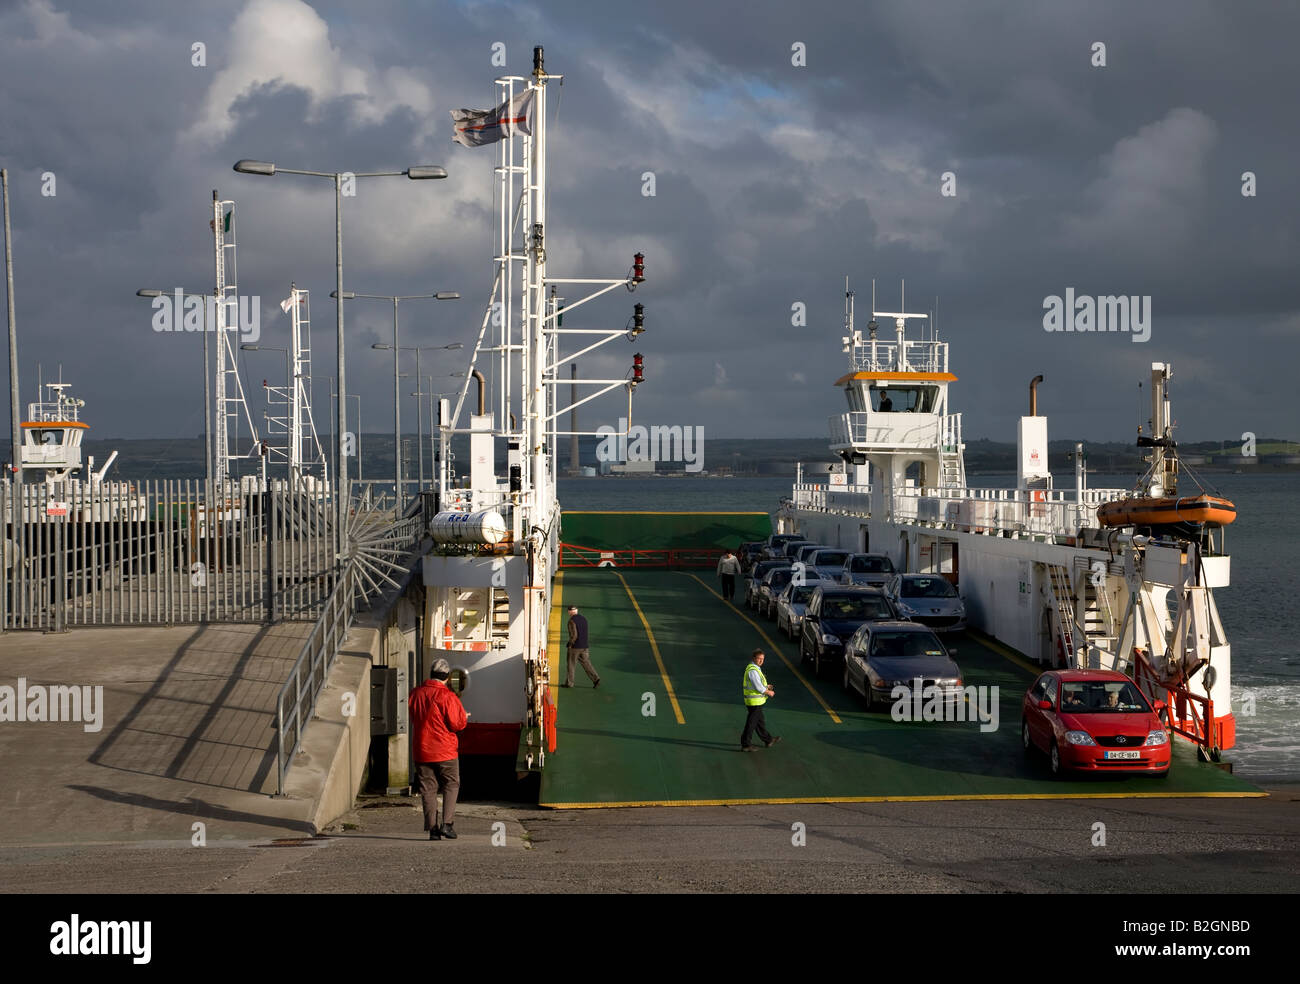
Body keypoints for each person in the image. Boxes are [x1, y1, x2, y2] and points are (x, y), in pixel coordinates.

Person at [408, 657, 469, 841]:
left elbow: (414, 717)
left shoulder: (415, 694)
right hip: (445, 750)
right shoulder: (447, 696)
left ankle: (433, 829)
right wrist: (464, 716)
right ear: (447, 677)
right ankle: (447, 824)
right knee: (451, 784)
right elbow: (457, 724)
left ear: (431, 674)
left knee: (428, 788)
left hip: (422, 749)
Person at [741, 648, 781, 751]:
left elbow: (759, 684)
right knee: (751, 724)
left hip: (756, 702)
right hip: (754, 702)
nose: (761, 661)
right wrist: (769, 692)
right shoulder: (753, 670)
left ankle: (768, 740)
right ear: (754, 658)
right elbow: (758, 687)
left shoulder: (756, 668)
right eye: (759, 658)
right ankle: (746, 744)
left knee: (759, 722)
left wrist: (766, 686)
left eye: (762, 659)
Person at [564, 604, 601, 688]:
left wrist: (570, 644)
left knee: (571, 665)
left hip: (575, 647)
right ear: (576, 611)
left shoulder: (571, 621)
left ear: (570, 612)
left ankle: (569, 683)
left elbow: (574, 635)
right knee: (587, 664)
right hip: (585, 646)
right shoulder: (584, 619)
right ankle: (596, 679)